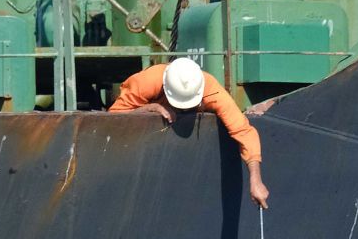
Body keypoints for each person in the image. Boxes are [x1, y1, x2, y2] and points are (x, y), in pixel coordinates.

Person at [109, 58, 269, 208]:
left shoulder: (211, 90)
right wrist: (150, 108)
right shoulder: (147, 82)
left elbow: (243, 130)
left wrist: (255, 178)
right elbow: (114, 117)